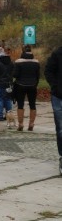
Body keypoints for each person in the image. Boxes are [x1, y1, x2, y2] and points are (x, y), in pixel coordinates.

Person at [12, 46, 40, 131]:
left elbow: (15, 75)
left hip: (20, 85)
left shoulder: (18, 62)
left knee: (20, 104)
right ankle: (31, 124)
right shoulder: (36, 62)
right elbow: (38, 76)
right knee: (33, 105)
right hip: (32, 86)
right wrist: (35, 84)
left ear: (22, 52)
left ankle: (20, 124)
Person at [45, 43, 62, 175]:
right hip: (59, 96)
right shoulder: (57, 53)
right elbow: (48, 71)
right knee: (61, 129)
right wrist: (55, 87)